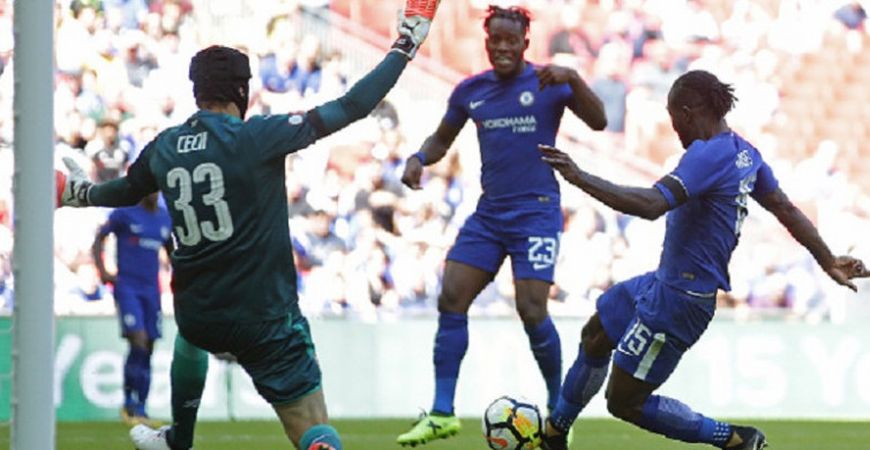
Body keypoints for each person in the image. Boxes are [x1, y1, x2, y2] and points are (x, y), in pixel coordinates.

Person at [57, 2, 440, 449]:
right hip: (263, 317)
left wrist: (77, 193)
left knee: (189, 341)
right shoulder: (257, 136)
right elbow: (354, 105)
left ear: (196, 91)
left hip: (200, 313)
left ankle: (179, 439)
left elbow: (123, 190)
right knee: (314, 430)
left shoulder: (165, 146)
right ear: (242, 90)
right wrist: (405, 43)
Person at [536, 69, 870, 450]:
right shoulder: (744, 152)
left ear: (686, 112)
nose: (676, 132)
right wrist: (827, 258)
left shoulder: (706, 156)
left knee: (624, 402)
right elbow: (784, 207)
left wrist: (578, 176)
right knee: (597, 333)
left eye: (673, 121)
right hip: (664, 283)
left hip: (678, 301)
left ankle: (733, 439)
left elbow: (651, 205)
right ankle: (555, 434)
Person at [396, 4, 607, 447]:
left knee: (532, 310)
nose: (504, 48)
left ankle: (558, 412)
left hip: (537, 210)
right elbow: (441, 139)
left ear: (525, 43)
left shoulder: (549, 83)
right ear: (487, 42)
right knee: (451, 294)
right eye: (497, 41)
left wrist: (572, 77)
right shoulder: (471, 91)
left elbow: (600, 120)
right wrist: (418, 158)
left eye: (512, 41)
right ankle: (441, 413)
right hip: (491, 214)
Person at [92, 192, 173, 426]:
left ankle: (142, 408)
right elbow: (99, 238)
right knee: (138, 340)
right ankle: (129, 404)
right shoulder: (124, 214)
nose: (153, 193)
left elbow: (171, 250)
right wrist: (104, 272)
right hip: (127, 287)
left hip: (152, 291)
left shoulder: (164, 218)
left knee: (150, 345)